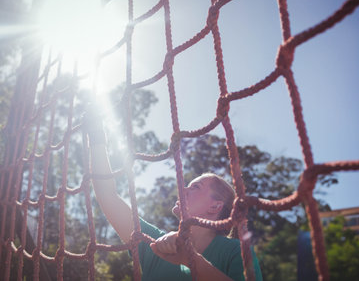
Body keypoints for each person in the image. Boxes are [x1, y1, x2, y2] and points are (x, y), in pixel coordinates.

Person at [86, 119, 263, 280]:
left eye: (195, 187)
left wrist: (191, 259)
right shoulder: (154, 244)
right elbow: (107, 195)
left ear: (216, 206)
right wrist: (96, 135)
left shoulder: (236, 251)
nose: (182, 189)